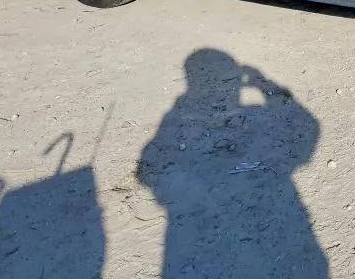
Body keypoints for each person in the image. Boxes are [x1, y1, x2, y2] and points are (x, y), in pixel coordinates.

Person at [138, 49, 326, 278]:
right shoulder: (182, 111)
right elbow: (309, 132)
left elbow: (147, 174)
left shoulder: (178, 111)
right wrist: (263, 84)